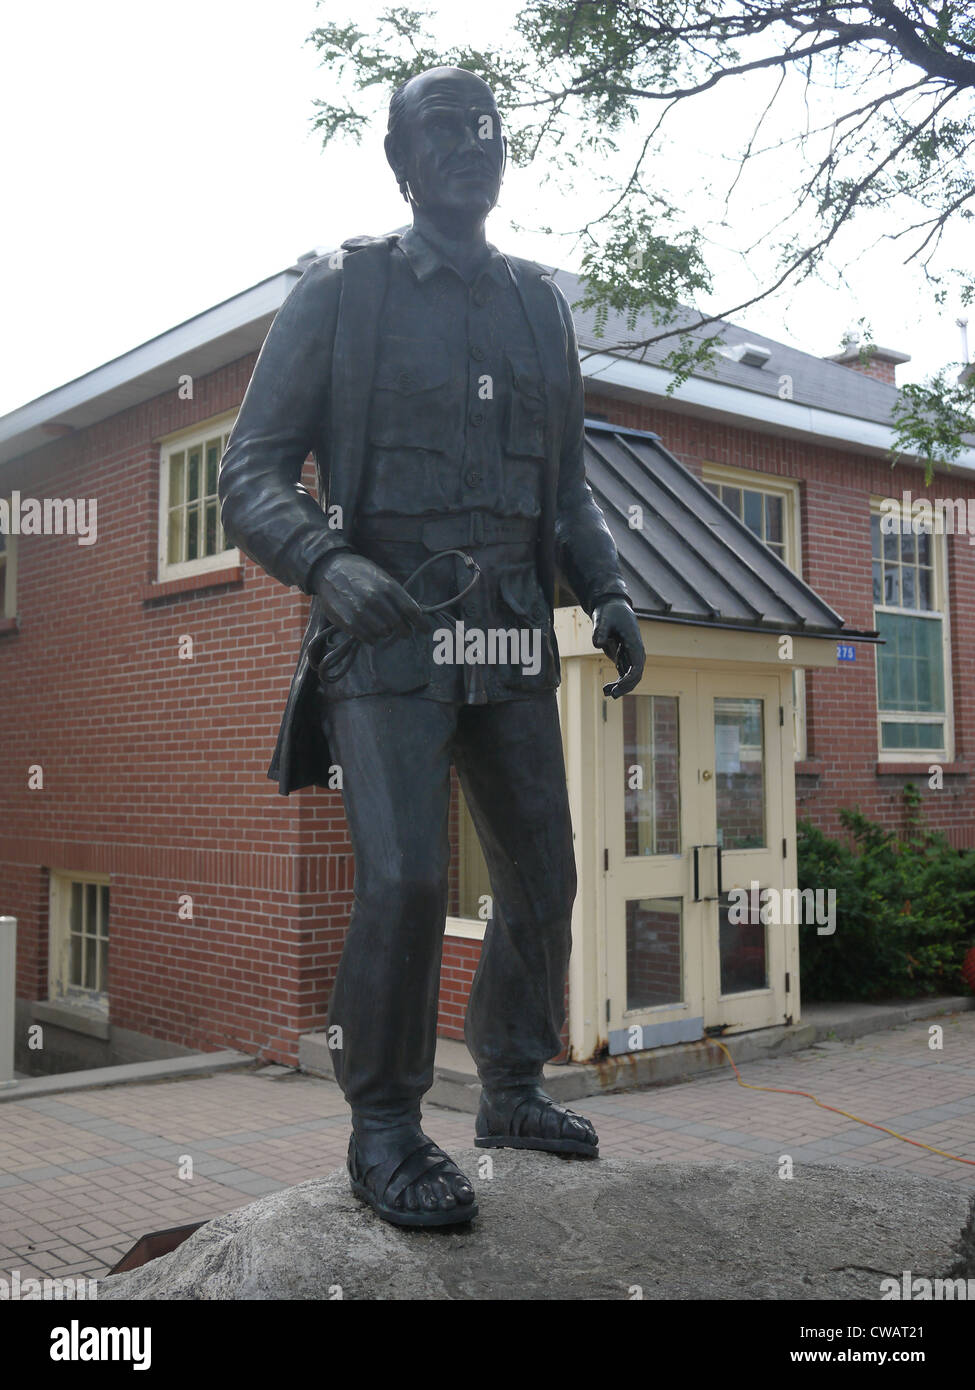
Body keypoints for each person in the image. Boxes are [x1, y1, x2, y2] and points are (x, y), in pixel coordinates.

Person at [218, 66, 645, 1228]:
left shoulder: (540, 310)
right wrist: (325, 564)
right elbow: (247, 473)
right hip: (388, 636)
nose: (473, 141)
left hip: (508, 635)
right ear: (403, 164)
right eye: (443, 129)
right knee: (405, 879)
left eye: (486, 126)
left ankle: (510, 1086)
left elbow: (567, 497)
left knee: (545, 876)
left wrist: (604, 590)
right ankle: (386, 1126)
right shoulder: (341, 295)